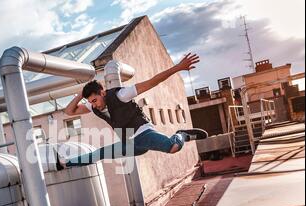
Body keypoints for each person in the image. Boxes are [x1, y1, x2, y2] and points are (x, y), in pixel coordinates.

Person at [58, 53, 207, 170]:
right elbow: (69, 112)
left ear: (102, 93)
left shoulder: (121, 95)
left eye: (94, 100)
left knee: (172, 147)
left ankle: (183, 134)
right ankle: (67, 163)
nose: (93, 105)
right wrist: (81, 94)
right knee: (100, 153)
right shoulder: (94, 106)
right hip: (129, 144)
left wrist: (178, 67)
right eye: (90, 102)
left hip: (143, 133)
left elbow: (152, 82)